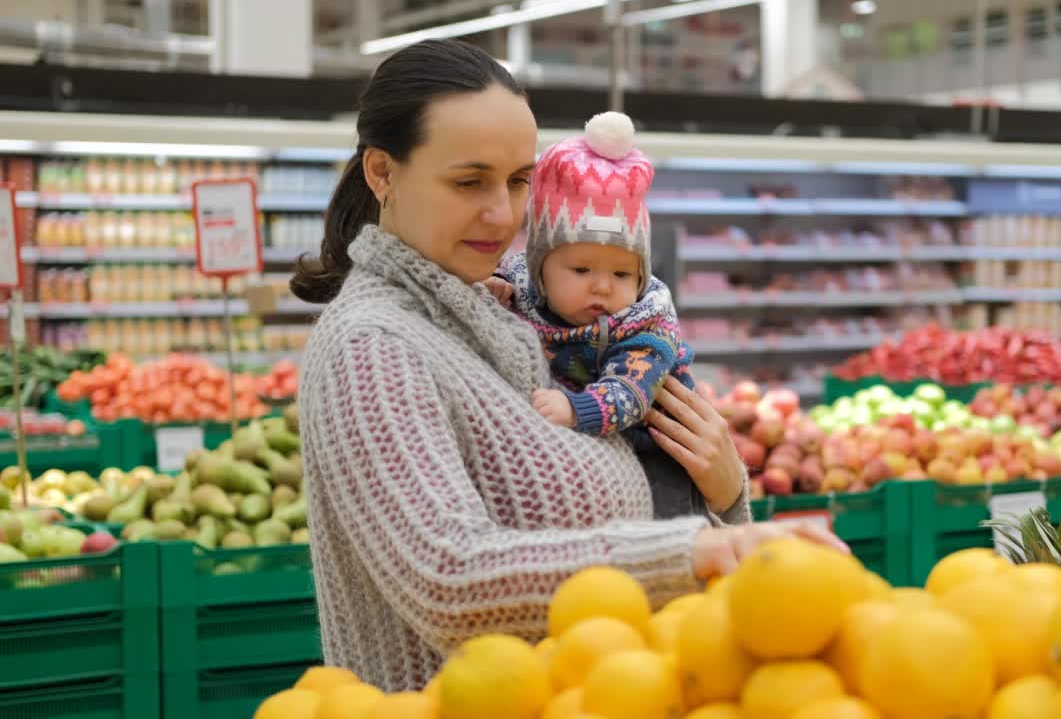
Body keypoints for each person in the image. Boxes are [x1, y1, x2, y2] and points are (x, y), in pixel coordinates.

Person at [290, 38, 849, 692]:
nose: (503, 214)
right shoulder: (371, 346)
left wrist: (725, 498)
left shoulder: (505, 318)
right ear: (381, 172)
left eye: (520, 180)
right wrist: (702, 550)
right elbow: (448, 578)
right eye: (469, 182)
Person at [484, 110, 706, 520]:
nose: (602, 286)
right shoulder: (525, 280)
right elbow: (510, 270)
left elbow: (631, 395)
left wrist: (575, 409)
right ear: (541, 270)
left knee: (668, 518)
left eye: (622, 273)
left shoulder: (644, 327)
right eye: (581, 270)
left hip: (656, 444)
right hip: (589, 448)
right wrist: (499, 285)